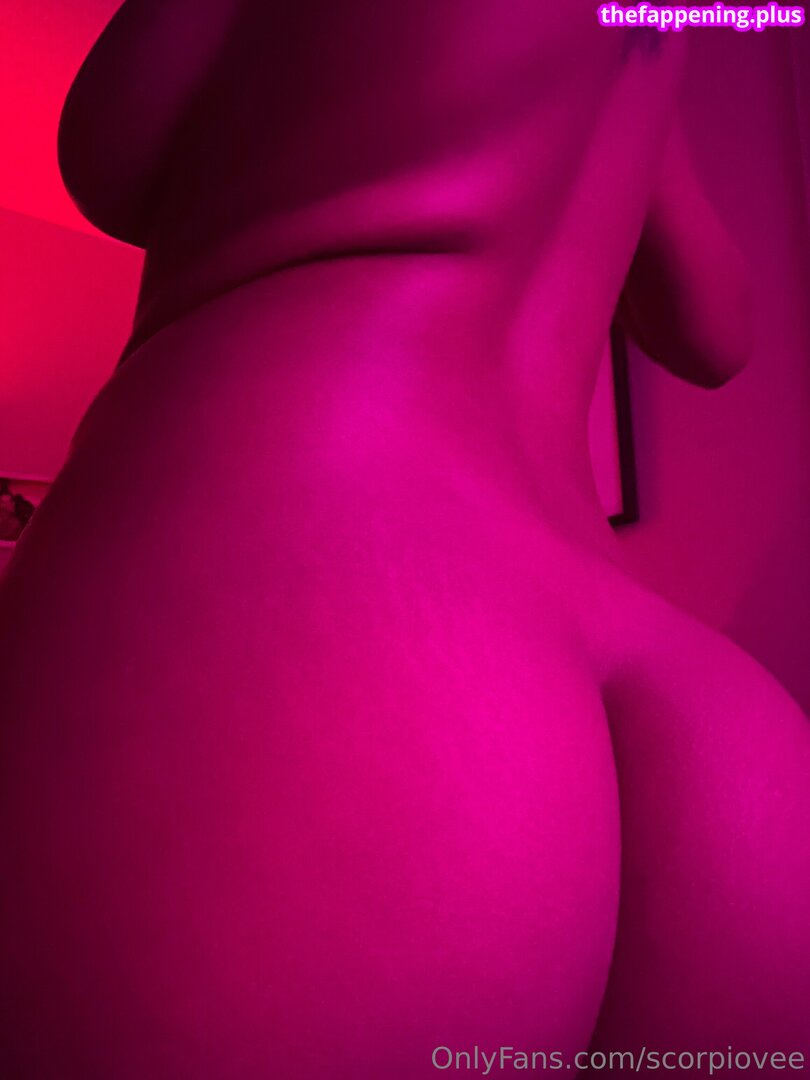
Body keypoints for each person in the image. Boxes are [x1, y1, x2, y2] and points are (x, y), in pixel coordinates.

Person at [1, 2, 808, 1075]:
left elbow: (109, 149)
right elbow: (713, 326)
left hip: (327, 569)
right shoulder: (650, 28)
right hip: (688, 703)